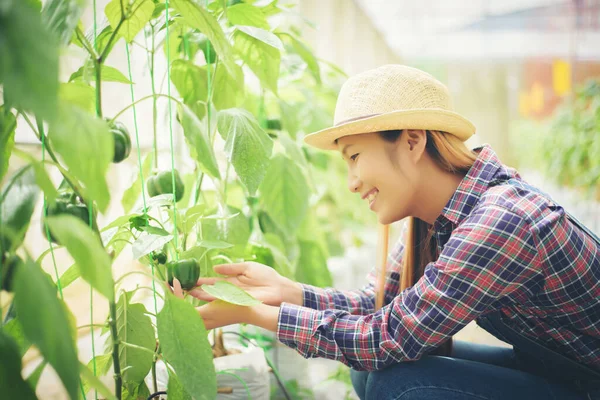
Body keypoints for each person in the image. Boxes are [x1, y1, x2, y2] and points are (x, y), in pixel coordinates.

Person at [171, 65, 600, 400]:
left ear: (412, 142)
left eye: (355, 156)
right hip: (557, 371)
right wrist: (288, 292)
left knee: (403, 386)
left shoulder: (500, 220)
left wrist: (257, 315)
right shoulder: (434, 219)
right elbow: (378, 309)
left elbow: (390, 336)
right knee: (373, 372)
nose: (352, 181)